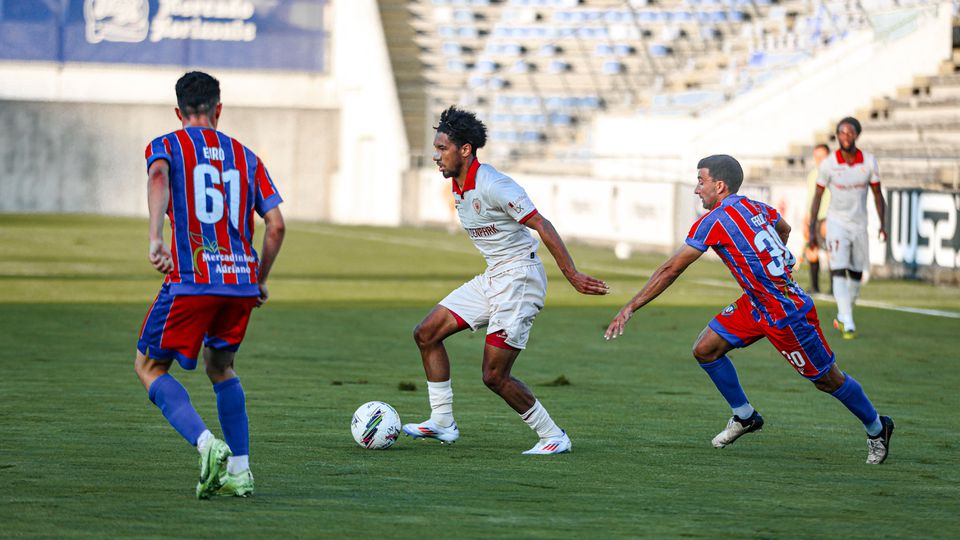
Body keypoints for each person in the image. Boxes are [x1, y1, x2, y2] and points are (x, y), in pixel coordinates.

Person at [604, 154, 894, 465]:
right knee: (705, 349)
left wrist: (630, 306)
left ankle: (877, 427)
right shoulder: (755, 206)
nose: (696, 189)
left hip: (785, 312)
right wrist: (778, 258)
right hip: (758, 303)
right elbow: (783, 228)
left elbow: (670, 269)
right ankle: (745, 416)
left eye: (700, 182)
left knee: (826, 379)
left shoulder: (713, 222)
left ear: (719, 185)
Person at [403, 106, 609, 454]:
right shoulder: (457, 183)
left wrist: (571, 274)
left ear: (465, 150)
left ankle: (553, 436)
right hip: (495, 276)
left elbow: (541, 224)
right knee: (426, 334)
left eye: (442, 149)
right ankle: (442, 422)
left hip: (520, 280)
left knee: (494, 376)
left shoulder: (495, 185)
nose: (436, 156)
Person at [134, 71, 286, 498]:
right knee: (221, 368)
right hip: (239, 283)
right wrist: (259, 280)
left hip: (192, 279)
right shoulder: (248, 157)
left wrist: (155, 238)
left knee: (148, 367)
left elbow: (159, 177)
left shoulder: (165, 146)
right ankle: (241, 470)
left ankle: (206, 444)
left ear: (178, 111)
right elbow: (275, 226)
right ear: (218, 109)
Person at [809, 117, 886, 339]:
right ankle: (848, 319)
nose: (845, 137)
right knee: (838, 267)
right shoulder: (829, 164)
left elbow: (878, 195)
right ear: (837, 136)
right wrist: (813, 226)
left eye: (849, 133)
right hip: (836, 223)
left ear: (857, 135)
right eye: (841, 133)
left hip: (860, 224)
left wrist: (883, 223)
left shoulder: (869, 162)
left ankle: (845, 315)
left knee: (856, 273)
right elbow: (818, 196)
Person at [802, 143, 830, 294]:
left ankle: (834, 288)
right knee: (811, 251)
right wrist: (806, 218)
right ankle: (815, 286)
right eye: (817, 156)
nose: (819, 159)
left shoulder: (833, 174)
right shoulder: (813, 174)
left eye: (822, 156)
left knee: (830, 252)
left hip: (827, 216)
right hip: (813, 217)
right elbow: (810, 198)